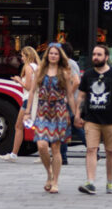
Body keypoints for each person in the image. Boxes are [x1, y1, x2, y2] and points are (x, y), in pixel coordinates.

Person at [75, 45, 112, 195]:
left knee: (110, 152)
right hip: (92, 119)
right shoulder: (88, 75)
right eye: (94, 54)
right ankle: (90, 182)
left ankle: (109, 182)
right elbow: (81, 96)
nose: (95, 57)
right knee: (91, 150)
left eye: (99, 54)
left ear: (106, 57)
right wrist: (77, 114)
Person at [23, 43, 76, 193]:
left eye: (56, 54)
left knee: (56, 148)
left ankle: (55, 182)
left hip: (59, 111)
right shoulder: (40, 70)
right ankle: (49, 173)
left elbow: (70, 95)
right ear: (47, 55)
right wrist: (27, 112)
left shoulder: (64, 72)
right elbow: (32, 91)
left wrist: (75, 113)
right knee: (41, 146)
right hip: (42, 111)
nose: (53, 56)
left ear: (60, 57)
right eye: (51, 53)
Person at [0, 46, 39, 162]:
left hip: (28, 100)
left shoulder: (28, 67)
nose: (21, 58)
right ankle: (42, 154)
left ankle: (14, 155)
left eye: (22, 55)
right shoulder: (37, 66)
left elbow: (28, 86)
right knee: (37, 127)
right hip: (35, 99)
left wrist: (18, 80)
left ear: (27, 56)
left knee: (18, 126)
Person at [59, 42, 82, 165]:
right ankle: (93, 150)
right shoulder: (73, 63)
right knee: (73, 125)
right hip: (72, 99)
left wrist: (68, 95)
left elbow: (76, 81)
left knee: (65, 127)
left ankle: (63, 157)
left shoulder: (68, 64)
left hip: (69, 100)